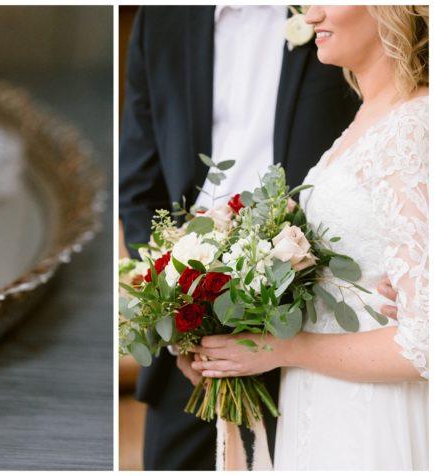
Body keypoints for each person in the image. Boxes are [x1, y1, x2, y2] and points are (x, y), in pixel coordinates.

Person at [117, 6, 362, 470]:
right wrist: (179, 322)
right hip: (189, 345)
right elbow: (138, 186)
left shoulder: (331, 12)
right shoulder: (162, 17)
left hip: (314, 320)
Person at [191, 5, 429, 470]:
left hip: (373, 421)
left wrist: (285, 349)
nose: (311, 12)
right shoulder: (363, 122)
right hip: (322, 403)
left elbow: (425, 343)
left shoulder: (414, 127)